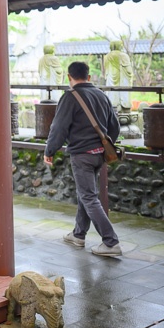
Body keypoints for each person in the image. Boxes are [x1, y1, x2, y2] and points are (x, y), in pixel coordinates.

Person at [43, 61, 123, 257]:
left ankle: (111, 242)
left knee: (88, 197)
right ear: (89, 77)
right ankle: (79, 234)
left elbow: (59, 127)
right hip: (100, 155)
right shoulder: (101, 95)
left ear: (69, 77)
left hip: (82, 155)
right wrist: (105, 143)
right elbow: (115, 126)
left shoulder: (70, 97)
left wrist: (50, 150)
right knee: (85, 193)